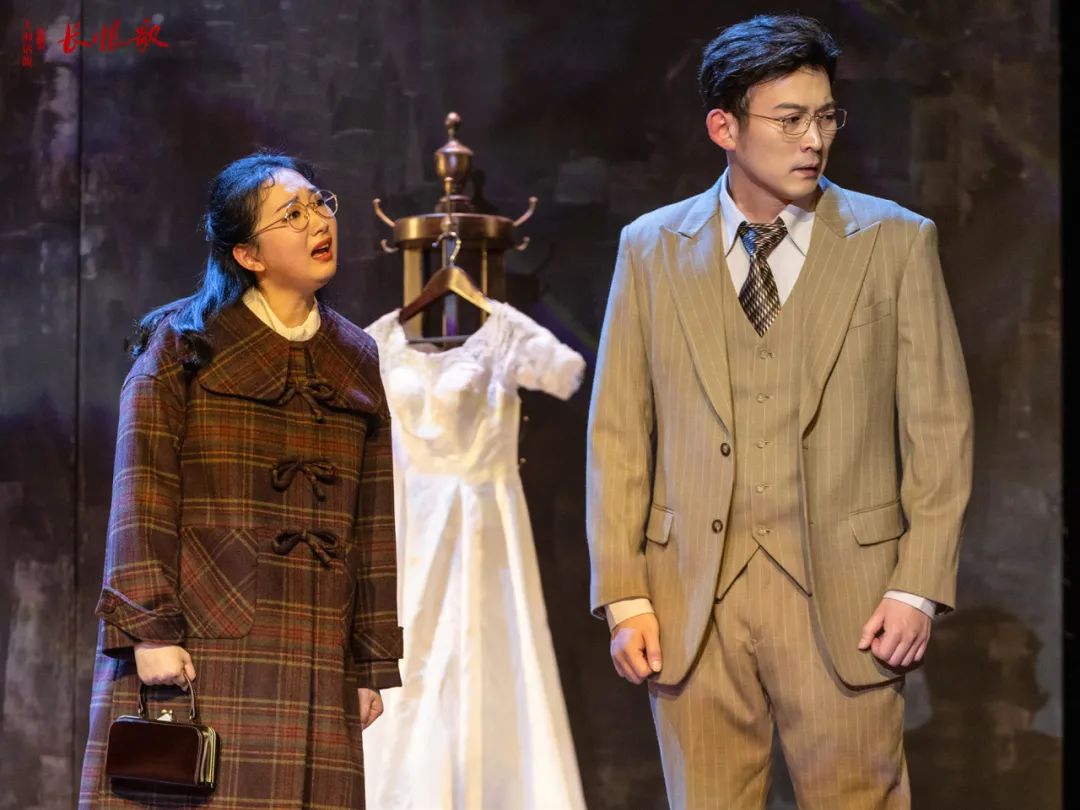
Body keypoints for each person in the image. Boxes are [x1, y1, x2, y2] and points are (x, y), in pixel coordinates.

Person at [586, 14, 973, 809]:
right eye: (790, 119)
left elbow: (939, 428)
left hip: (849, 603)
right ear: (724, 128)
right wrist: (624, 594)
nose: (814, 140)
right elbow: (620, 433)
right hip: (693, 605)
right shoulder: (650, 248)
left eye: (826, 117)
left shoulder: (895, 242)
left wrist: (917, 587)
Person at [78, 151, 402, 808]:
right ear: (248, 254)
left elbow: (373, 521)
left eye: (319, 203)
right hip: (202, 640)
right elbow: (141, 491)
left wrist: (369, 661)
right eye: (292, 214)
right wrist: (150, 631)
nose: (319, 222)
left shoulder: (355, 355)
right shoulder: (183, 342)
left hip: (317, 651)